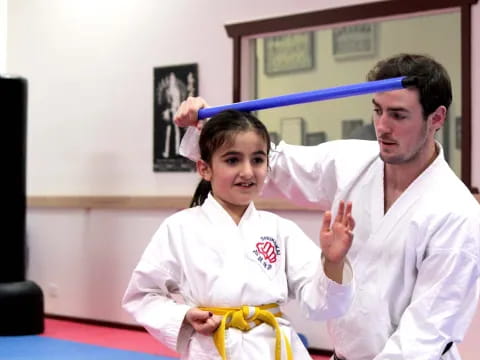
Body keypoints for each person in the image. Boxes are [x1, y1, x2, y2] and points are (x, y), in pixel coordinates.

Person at [174, 54, 480, 360]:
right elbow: (269, 164)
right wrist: (205, 126)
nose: (382, 126)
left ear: (437, 118)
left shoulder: (456, 213)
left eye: (398, 115)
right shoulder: (352, 162)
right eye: (377, 110)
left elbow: (427, 331)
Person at [123, 109, 357, 360]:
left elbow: (323, 305)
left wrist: (333, 263)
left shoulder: (280, 230)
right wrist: (185, 316)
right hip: (213, 347)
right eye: (233, 160)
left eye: (257, 160)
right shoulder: (179, 228)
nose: (247, 171)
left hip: (273, 349)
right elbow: (142, 295)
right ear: (204, 168)